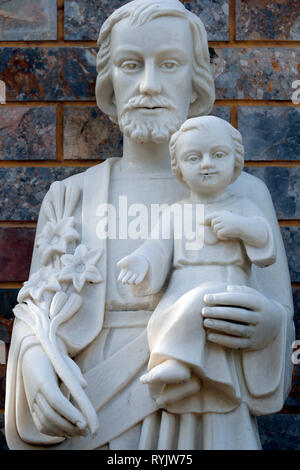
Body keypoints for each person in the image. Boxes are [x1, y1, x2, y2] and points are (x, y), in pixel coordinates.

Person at [5, 0, 294, 450]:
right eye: (130, 64)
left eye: (170, 64)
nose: (149, 84)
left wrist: (267, 328)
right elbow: (37, 311)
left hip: (206, 411)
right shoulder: (72, 196)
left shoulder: (245, 194)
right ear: (110, 83)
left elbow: (280, 313)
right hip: (100, 414)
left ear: (196, 82)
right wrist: (35, 364)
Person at [118, 116, 277, 396]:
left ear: (235, 160)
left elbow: (265, 242)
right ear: (178, 167)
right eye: (194, 157)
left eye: (218, 155)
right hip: (180, 290)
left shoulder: (243, 205)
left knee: (200, 304)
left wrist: (241, 227)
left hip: (225, 287)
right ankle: (190, 374)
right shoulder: (176, 212)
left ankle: (179, 363)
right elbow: (157, 246)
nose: (206, 164)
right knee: (169, 317)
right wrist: (142, 261)